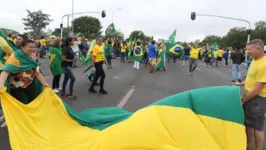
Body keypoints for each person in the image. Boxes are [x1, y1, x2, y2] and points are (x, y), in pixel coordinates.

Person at [0, 39, 49, 127]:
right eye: (30, 47)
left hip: (29, 83)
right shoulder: (16, 56)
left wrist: (44, 83)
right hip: (15, 85)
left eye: (34, 47)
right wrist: (1, 84)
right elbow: (5, 71)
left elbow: (37, 71)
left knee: (33, 100)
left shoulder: (33, 56)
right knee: (18, 104)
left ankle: (32, 118)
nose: (32, 49)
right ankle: (15, 120)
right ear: (22, 47)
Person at [233, 39, 266, 150]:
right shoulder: (255, 60)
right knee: (248, 124)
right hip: (251, 97)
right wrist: (240, 83)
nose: (247, 52)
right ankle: (250, 145)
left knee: (257, 128)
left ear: (259, 49)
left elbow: (257, 89)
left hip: (257, 99)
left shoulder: (264, 64)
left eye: (250, 49)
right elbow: (251, 79)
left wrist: (243, 100)